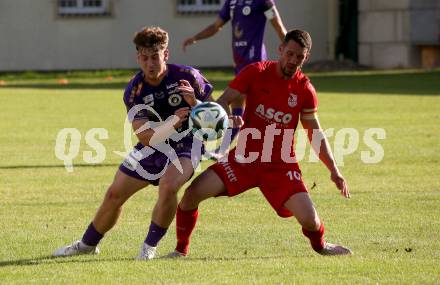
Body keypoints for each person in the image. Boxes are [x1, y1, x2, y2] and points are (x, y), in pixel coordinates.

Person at [169, 29, 352, 258]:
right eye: (290, 54)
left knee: (310, 220)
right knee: (192, 194)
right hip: (244, 159)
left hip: (280, 165)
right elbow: (224, 101)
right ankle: (179, 251)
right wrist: (220, 119)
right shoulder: (256, 72)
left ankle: (321, 245)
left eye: (299, 57)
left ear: (306, 58)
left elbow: (315, 133)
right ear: (280, 49)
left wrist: (334, 171)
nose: (293, 61)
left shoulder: (304, 90)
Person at [53, 26, 214, 260]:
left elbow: (216, 111)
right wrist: (174, 121)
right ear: (138, 57)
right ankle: (87, 244)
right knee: (114, 194)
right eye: (145, 58)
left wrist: (196, 102)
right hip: (154, 143)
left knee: (169, 186)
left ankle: (148, 248)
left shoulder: (188, 75)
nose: (150, 64)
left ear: (165, 55)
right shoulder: (134, 90)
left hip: (189, 143)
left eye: (155, 57)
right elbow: (145, 137)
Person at [182, 0, 287, 148]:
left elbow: (279, 28)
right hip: (240, 65)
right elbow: (215, 26)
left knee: (233, 99)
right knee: (240, 103)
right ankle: (226, 147)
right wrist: (195, 38)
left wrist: (291, 57)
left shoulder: (264, 2)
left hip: (256, 63)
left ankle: (217, 145)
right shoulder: (232, 3)